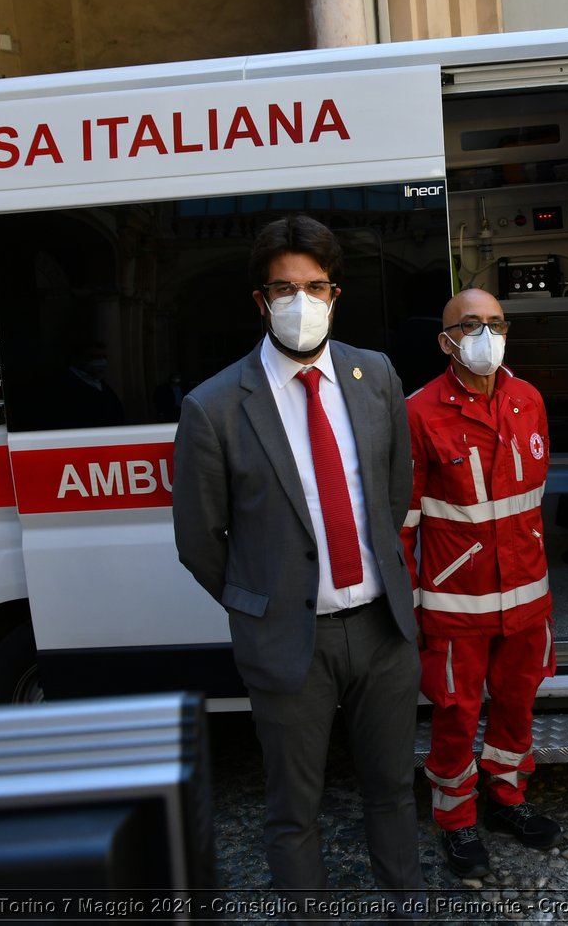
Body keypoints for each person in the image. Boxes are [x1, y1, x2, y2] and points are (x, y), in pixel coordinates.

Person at [172, 215, 425, 912]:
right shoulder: (214, 405)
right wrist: (261, 600)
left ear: (336, 293)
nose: (301, 301)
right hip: (289, 640)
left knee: (394, 791)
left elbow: (395, 488)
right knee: (293, 811)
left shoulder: (373, 375)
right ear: (260, 300)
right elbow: (199, 538)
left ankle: (408, 904)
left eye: (315, 286)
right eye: (284, 288)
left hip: (382, 632)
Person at [401, 288, 563, 879]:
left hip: (526, 595)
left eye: (495, 323)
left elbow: (532, 504)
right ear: (446, 341)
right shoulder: (419, 413)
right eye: (471, 325)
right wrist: (406, 604)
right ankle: (456, 820)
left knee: (518, 702)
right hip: (455, 601)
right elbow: (404, 522)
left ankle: (507, 798)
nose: (485, 335)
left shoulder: (528, 400)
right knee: (456, 712)